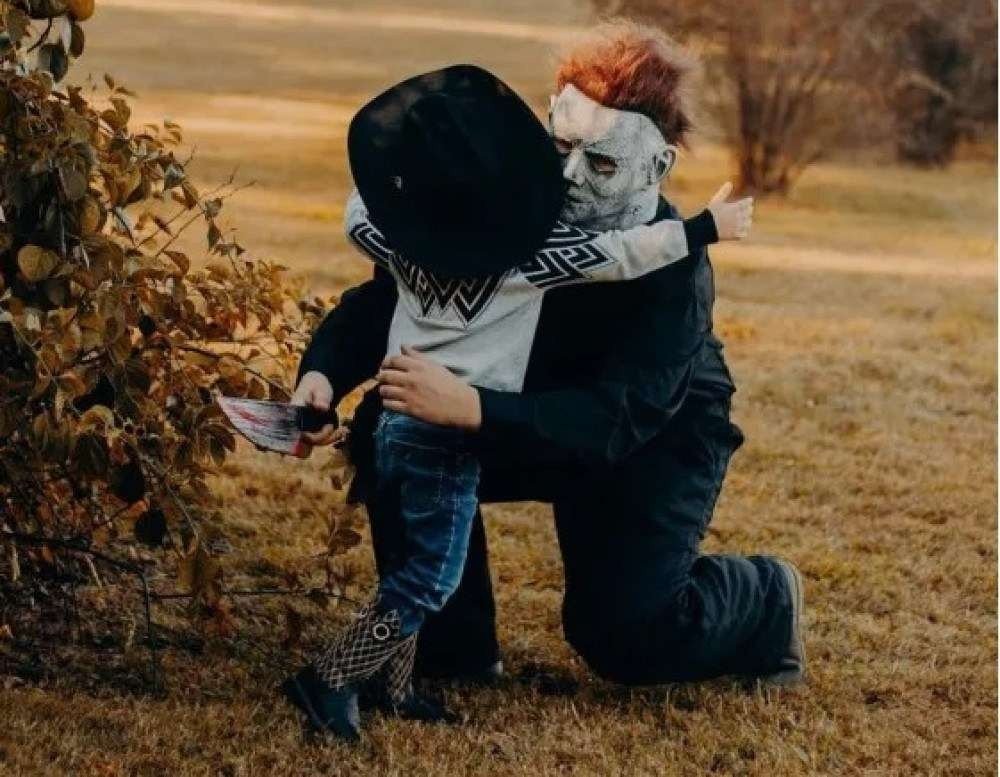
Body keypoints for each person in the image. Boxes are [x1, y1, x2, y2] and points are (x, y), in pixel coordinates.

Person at [294, 21, 804, 708]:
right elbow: (399, 296)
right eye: (561, 146)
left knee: (624, 636)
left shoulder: (671, 271)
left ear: (656, 167)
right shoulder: (504, 199)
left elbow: (621, 414)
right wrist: (323, 374)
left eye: (601, 164)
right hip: (517, 405)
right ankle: (452, 645)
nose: (568, 177)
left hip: (647, 437)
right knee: (393, 422)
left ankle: (769, 598)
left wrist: (473, 408)